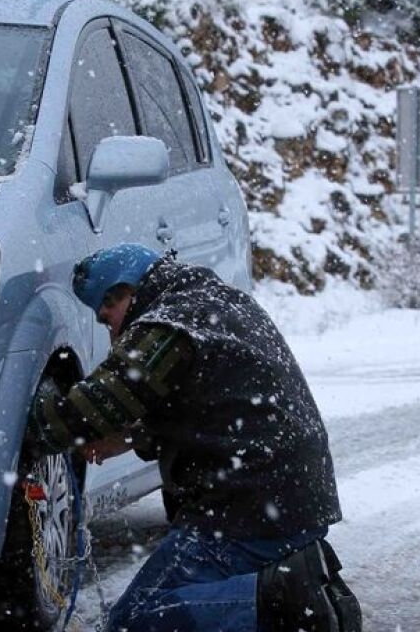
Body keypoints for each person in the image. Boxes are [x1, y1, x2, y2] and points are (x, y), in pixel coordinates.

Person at [29, 243, 360, 632]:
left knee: (134, 621)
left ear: (126, 291)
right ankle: (293, 586)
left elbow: (98, 403)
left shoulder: (168, 323)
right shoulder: (212, 303)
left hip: (244, 509)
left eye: (108, 317)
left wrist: (25, 425)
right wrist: (132, 434)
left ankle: (291, 602)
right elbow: (210, 402)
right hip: (290, 499)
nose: (112, 331)